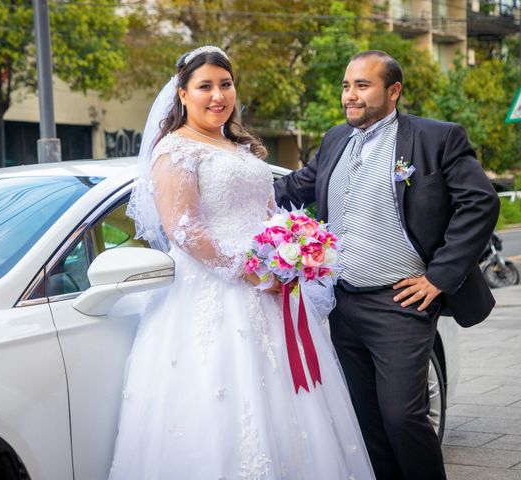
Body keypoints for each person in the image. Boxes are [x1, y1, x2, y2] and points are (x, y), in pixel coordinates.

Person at [108, 46, 376, 480]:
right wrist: (249, 270)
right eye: (205, 86)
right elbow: (184, 229)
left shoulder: (241, 146)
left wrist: (294, 250)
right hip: (212, 292)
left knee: (294, 405)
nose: (218, 95)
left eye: (226, 84)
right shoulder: (174, 150)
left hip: (271, 289)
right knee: (228, 401)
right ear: (182, 93)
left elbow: (271, 214)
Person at [274, 50, 500, 480]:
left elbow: (480, 203)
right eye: (346, 85)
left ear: (393, 91)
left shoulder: (437, 138)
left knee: (403, 417)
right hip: (343, 304)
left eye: (362, 85)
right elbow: (294, 187)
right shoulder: (335, 140)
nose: (350, 96)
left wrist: (439, 277)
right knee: (366, 421)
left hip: (400, 302)